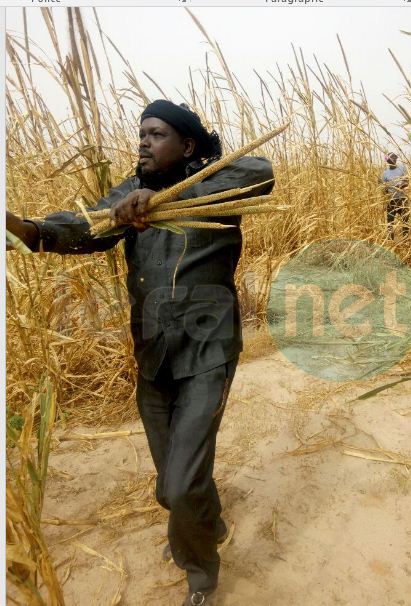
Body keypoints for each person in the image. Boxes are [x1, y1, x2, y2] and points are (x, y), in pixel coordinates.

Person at [7, 100, 274, 606]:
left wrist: (168, 194)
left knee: (178, 485)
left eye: (156, 134)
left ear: (187, 145)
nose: (143, 143)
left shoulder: (218, 184)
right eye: (141, 135)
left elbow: (262, 171)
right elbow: (86, 227)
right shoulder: (128, 196)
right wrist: (28, 230)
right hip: (153, 354)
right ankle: (209, 522)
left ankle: (201, 574)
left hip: (208, 350)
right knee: (172, 481)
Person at [380, 152, 409, 239]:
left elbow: (407, 182)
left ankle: (406, 240)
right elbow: (384, 189)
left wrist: (400, 186)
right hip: (391, 201)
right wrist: (386, 201)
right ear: (387, 161)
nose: (392, 160)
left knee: (405, 221)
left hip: (402, 199)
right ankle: (390, 241)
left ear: (396, 159)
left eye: (394, 158)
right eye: (390, 159)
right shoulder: (385, 174)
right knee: (390, 222)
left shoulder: (402, 168)